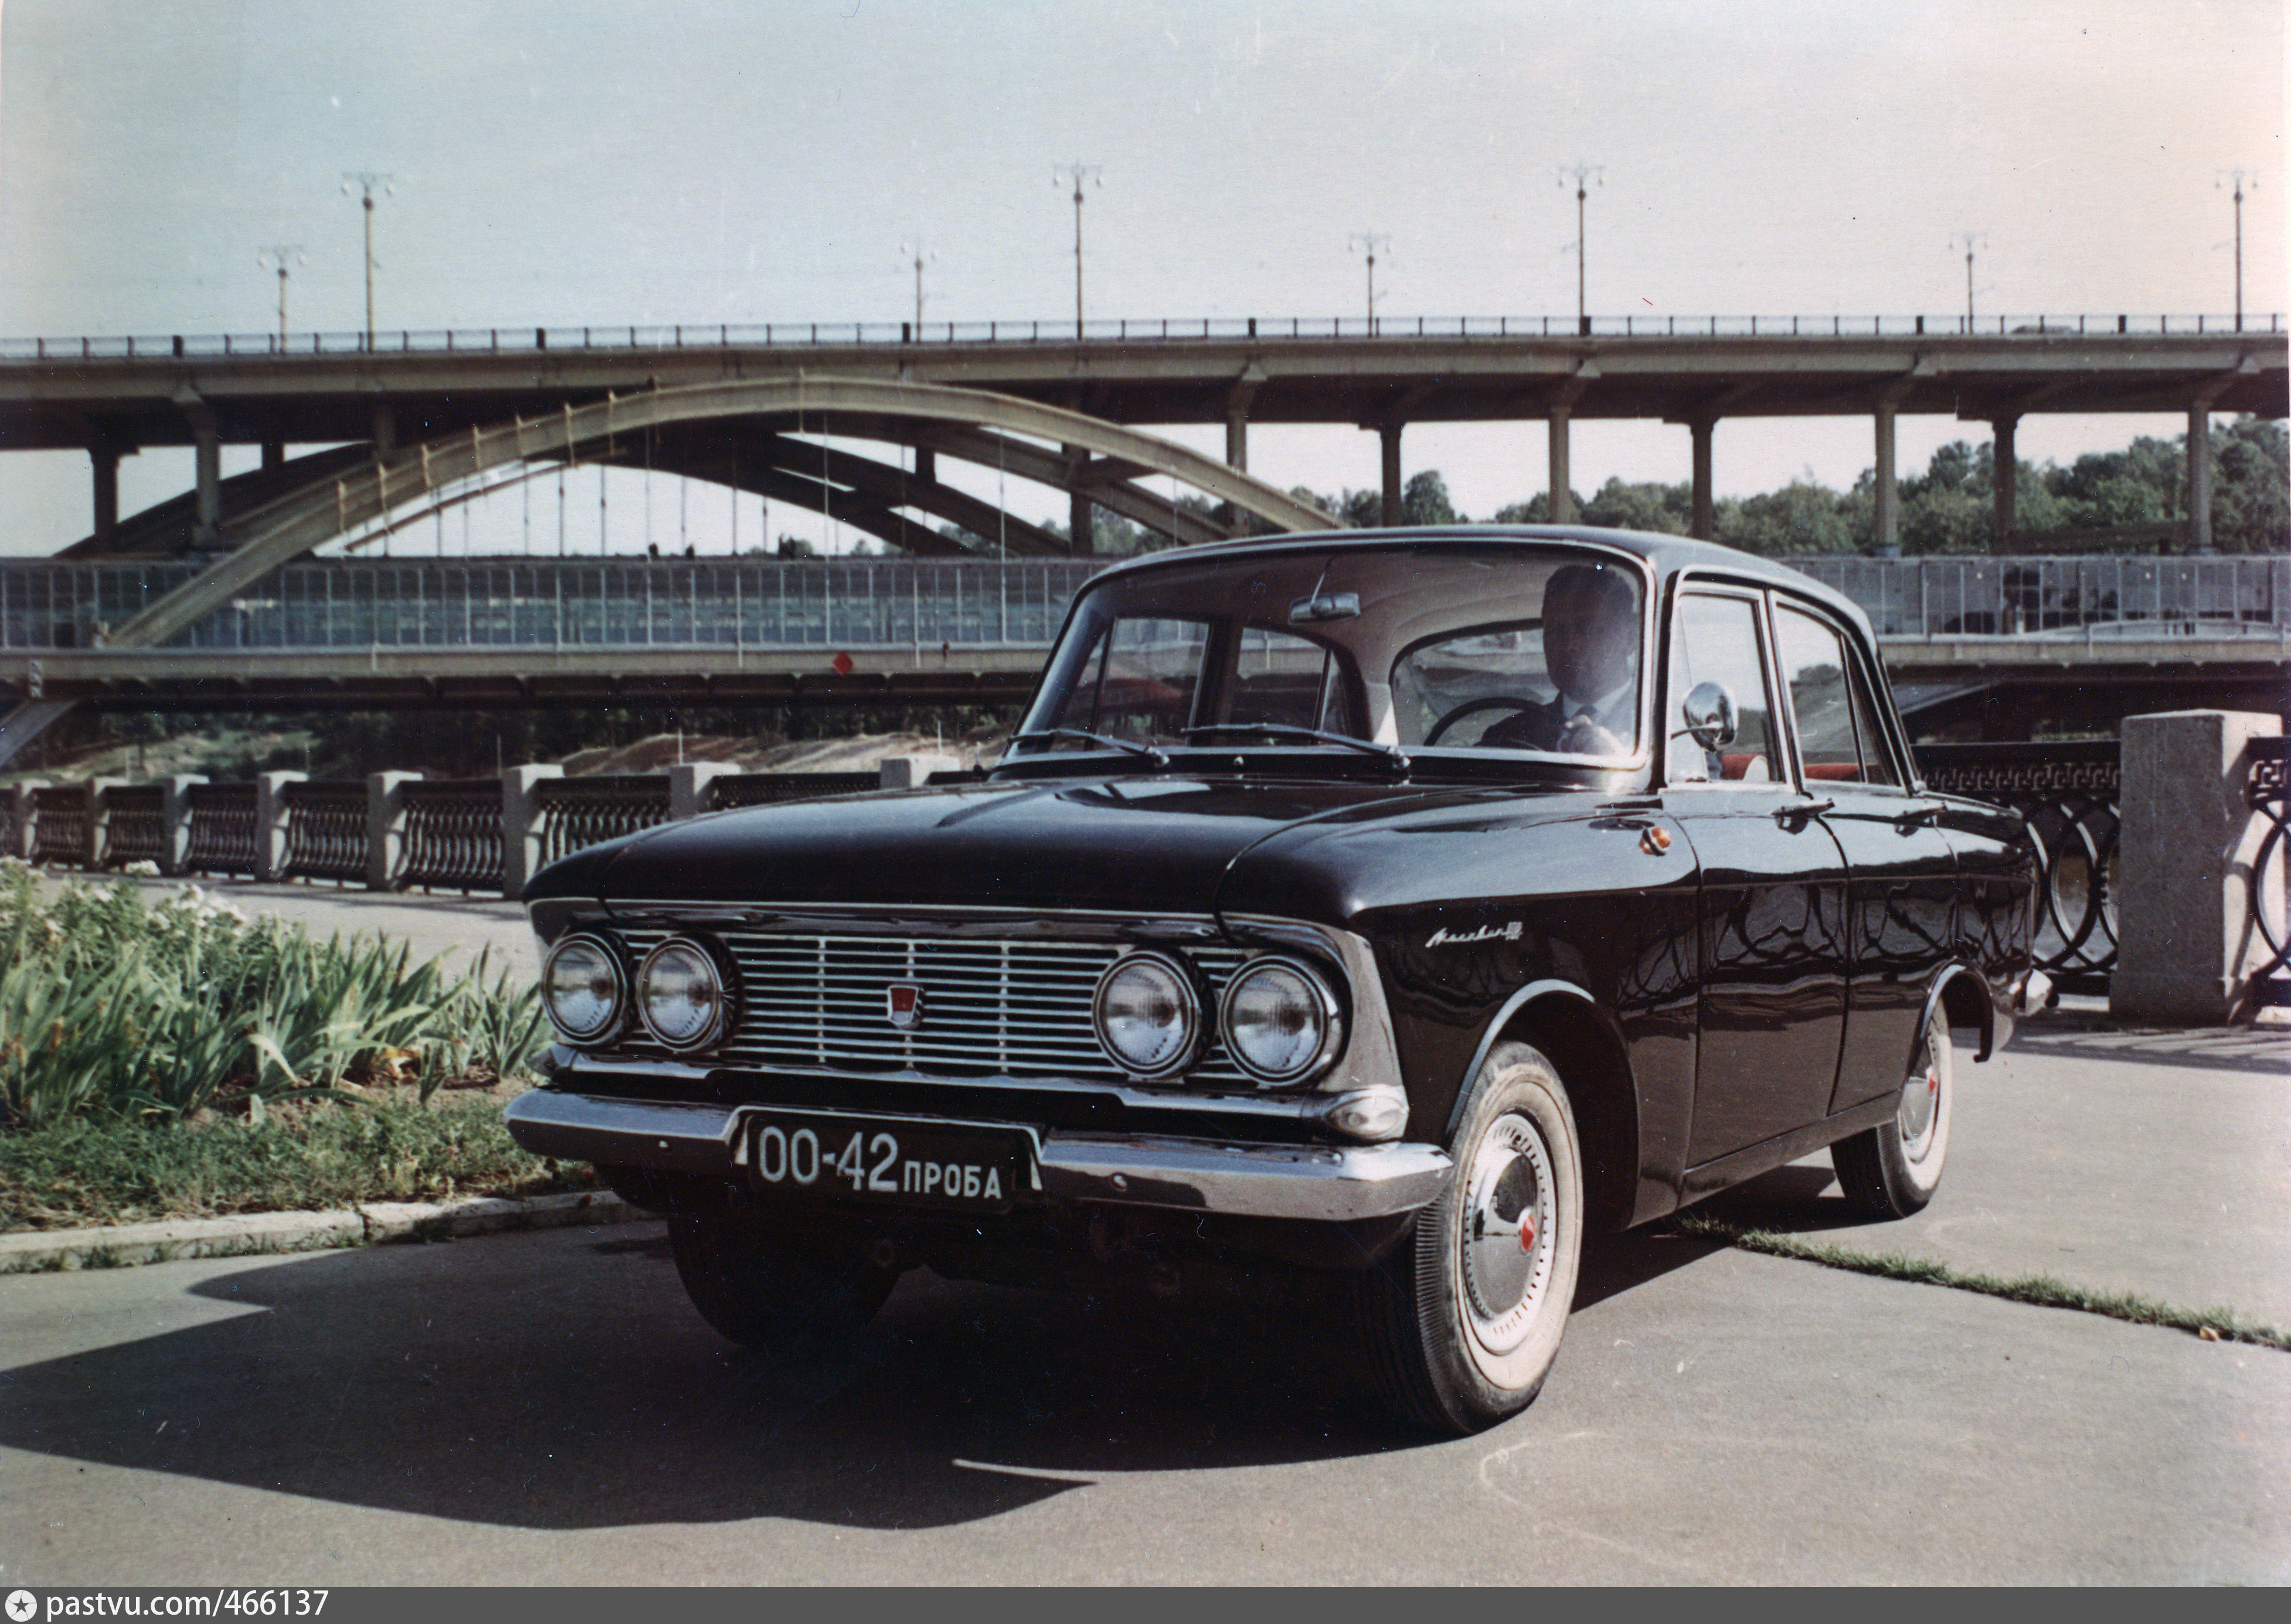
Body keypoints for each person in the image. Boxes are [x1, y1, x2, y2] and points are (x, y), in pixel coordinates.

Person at [1479, 562, 1640, 754]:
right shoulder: (1507, 737)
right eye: (1556, 630)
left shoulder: (1666, 731)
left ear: (1630, 637)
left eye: (1588, 629)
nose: (1570, 644)